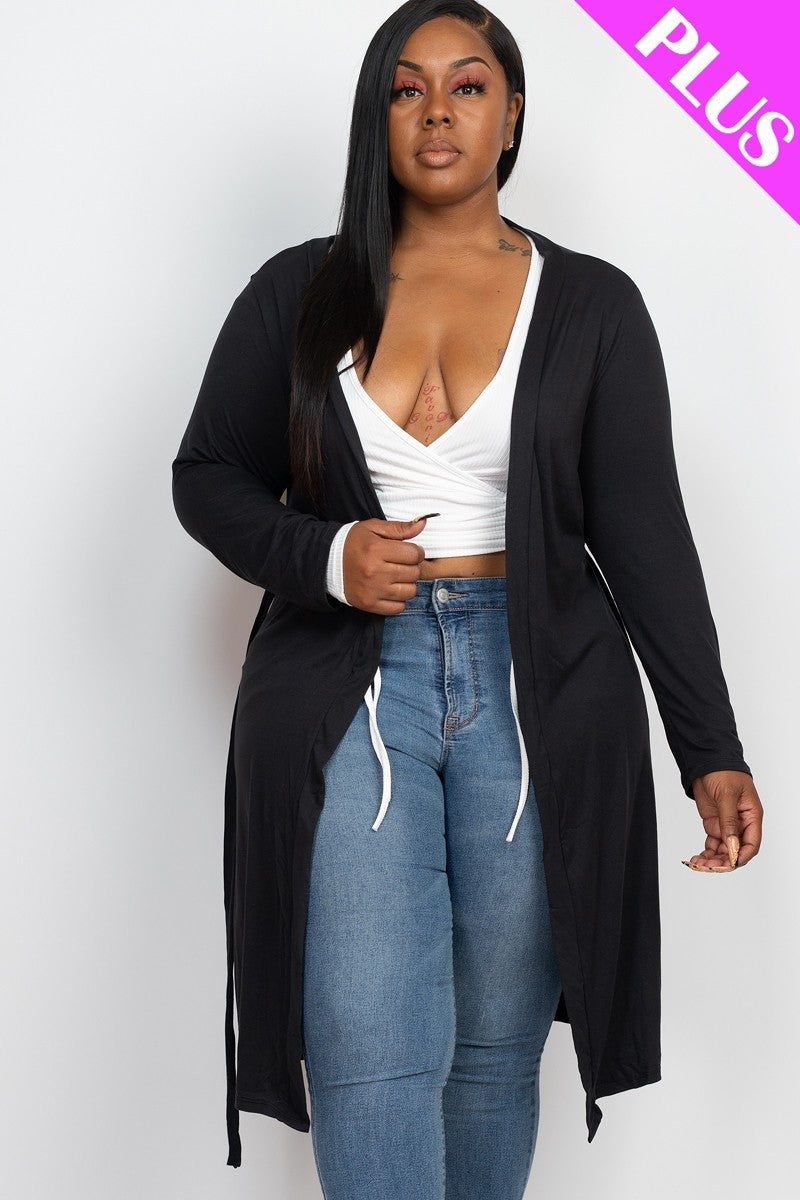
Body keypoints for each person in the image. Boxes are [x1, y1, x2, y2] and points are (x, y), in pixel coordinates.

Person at [171, 0, 763, 1194]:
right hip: (347, 685)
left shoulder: (590, 305)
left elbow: (646, 541)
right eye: (406, 88)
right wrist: (325, 556)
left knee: (492, 1057)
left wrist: (709, 749)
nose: (436, 112)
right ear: (375, 115)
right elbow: (208, 477)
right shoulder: (298, 290)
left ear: (511, 114)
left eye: (467, 85)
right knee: (367, 1050)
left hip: (539, 693)